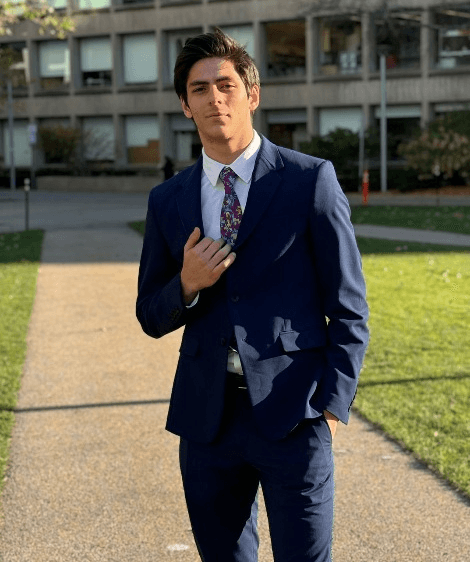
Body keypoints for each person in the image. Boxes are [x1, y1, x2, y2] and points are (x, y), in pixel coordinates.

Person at [136, 29, 369, 562]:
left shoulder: (309, 180)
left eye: (226, 84)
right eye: (200, 89)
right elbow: (150, 313)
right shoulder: (168, 199)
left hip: (294, 411)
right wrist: (187, 285)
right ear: (185, 105)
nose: (215, 98)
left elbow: (349, 306)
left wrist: (331, 402)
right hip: (206, 422)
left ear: (251, 94)